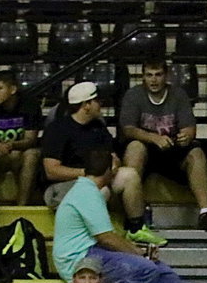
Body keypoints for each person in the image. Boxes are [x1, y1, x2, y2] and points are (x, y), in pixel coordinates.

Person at [53, 148, 207, 283]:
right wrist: (138, 254)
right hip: (79, 259)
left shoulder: (86, 189)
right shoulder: (87, 193)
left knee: (159, 271)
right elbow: (106, 238)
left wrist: (139, 253)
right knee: (146, 269)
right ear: (110, 170)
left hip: (90, 251)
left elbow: (105, 239)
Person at [42, 81, 165, 247]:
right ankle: (94, 237)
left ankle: (136, 227)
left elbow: (112, 156)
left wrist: (113, 165)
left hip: (97, 179)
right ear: (86, 105)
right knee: (99, 190)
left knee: (129, 174)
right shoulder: (57, 129)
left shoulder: (98, 127)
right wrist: (89, 173)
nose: (101, 104)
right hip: (62, 187)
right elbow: (51, 171)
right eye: (96, 101)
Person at [120, 59, 207, 231]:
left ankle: (206, 212)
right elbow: (128, 129)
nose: (154, 80)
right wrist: (153, 138)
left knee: (197, 153)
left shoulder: (178, 94)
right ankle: (132, 217)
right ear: (143, 77)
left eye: (158, 75)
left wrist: (186, 136)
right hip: (146, 148)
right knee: (135, 148)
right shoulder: (133, 95)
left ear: (166, 76)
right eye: (149, 75)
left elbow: (189, 128)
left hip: (172, 147)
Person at [0, 70, 42, 206]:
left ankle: (22, 207)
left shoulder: (29, 105)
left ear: (13, 89)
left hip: (17, 155)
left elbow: (31, 139)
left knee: (32, 154)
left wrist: (12, 145)